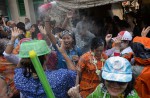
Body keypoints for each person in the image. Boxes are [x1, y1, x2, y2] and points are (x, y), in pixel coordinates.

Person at [68, 57, 139, 98]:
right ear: (103, 79)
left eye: (121, 82)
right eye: (110, 80)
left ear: (129, 82)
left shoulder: (133, 97)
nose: (115, 85)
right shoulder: (101, 89)